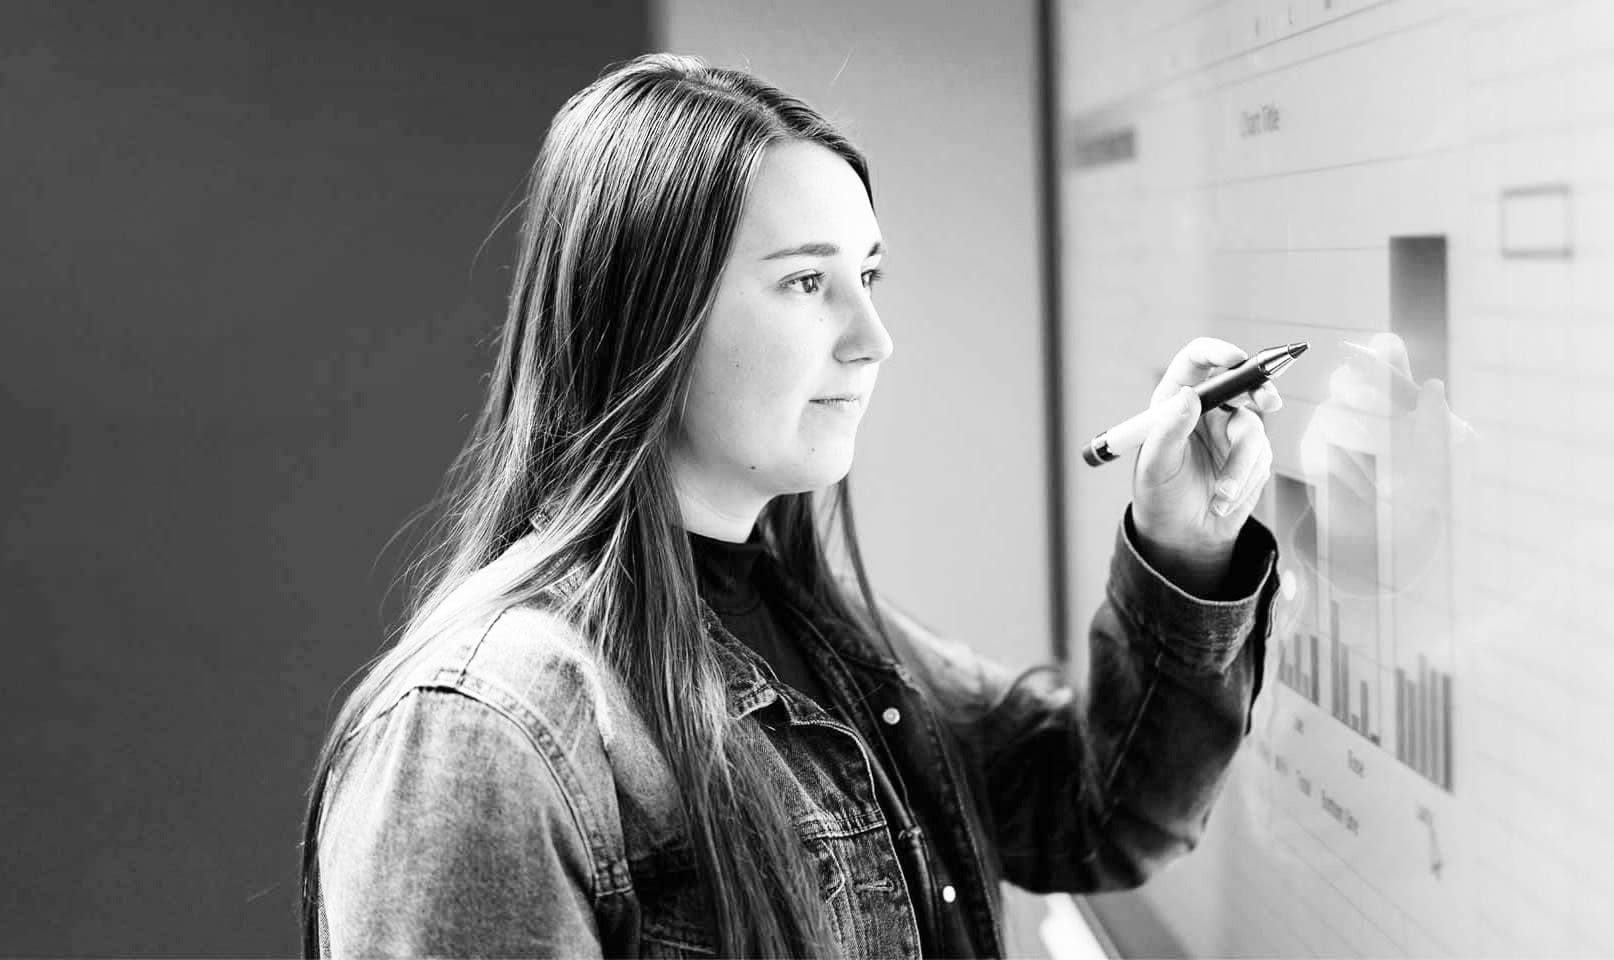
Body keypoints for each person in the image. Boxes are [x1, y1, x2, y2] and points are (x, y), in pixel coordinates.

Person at [300, 52, 1284, 959]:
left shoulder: (819, 628)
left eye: (868, 275)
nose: (872, 338)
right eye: (807, 281)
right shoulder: (480, 733)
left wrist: (1183, 543)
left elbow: (1090, 812)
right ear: (650, 317)